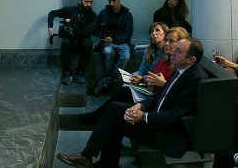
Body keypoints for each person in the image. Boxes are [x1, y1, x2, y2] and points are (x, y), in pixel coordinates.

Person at [57, 38, 208, 167]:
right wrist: (139, 106)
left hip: (166, 130)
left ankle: (90, 157)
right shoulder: (181, 68)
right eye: (175, 49)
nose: (173, 52)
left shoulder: (195, 79)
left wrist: (143, 116)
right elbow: (158, 96)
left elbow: (176, 114)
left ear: (191, 59)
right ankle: (92, 158)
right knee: (115, 109)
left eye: (179, 51)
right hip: (156, 118)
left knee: (115, 117)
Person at [78, 25, 188, 126]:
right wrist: (139, 77)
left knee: (118, 104)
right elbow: (145, 71)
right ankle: (98, 116)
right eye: (152, 31)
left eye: (170, 41)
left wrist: (156, 82)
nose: (154, 34)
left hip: (155, 98)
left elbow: (173, 89)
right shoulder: (156, 53)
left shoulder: (175, 61)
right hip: (150, 89)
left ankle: (98, 117)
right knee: (124, 88)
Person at [47, 0, 97, 84]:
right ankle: (67, 72)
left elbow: (88, 31)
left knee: (88, 43)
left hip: (82, 42)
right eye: (86, 1)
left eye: (91, 2)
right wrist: (50, 27)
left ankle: (80, 72)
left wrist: (72, 23)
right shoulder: (71, 10)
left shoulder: (92, 15)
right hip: (71, 40)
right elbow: (52, 13)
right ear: (80, 0)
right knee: (65, 43)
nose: (89, 4)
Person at [93, 0, 134, 96]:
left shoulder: (127, 14)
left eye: (114, 0)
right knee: (108, 52)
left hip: (122, 42)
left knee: (125, 56)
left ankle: (107, 80)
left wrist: (114, 39)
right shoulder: (104, 12)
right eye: (109, 0)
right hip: (107, 42)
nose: (111, 3)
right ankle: (109, 81)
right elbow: (95, 28)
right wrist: (100, 35)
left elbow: (129, 33)